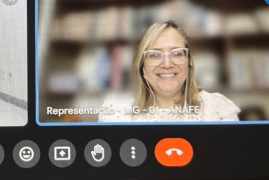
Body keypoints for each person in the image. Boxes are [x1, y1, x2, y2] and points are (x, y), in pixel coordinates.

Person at [99, 21, 240, 123]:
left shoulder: (216, 108)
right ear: (142, 65)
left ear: (189, 62)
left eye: (177, 53)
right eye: (155, 55)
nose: (167, 64)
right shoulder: (117, 111)